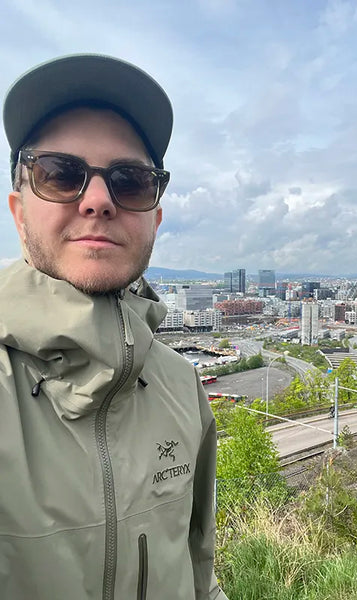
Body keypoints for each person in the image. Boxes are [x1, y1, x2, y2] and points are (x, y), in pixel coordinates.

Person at [0, 54, 228, 600]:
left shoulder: (181, 386)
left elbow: (200, 575)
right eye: (59, 174)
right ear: (18, 209)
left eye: (129, 180)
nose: (98, 200)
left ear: (156, 214)